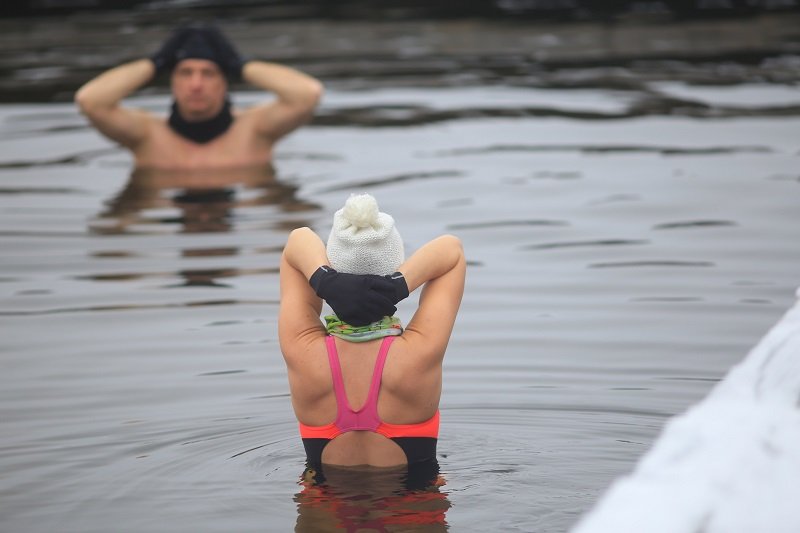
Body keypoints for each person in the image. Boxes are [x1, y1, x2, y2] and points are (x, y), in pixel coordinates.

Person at [278, 193, 465, 485]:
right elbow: (451, 250)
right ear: (396, 265)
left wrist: (326, 279)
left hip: (326, 513)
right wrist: (396, 285)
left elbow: (297, 241)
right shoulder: (419, 351)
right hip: (411, 512)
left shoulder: (303, 350)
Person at [74, 24, 323, 170]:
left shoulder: (254, 130)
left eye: (208, 73)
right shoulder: (147, 135)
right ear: (172, 81)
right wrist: (157, 62)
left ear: (224, 82)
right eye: (185, 73)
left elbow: (308, 94)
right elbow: (90, 101)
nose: (196, 85)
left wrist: (238, 65)